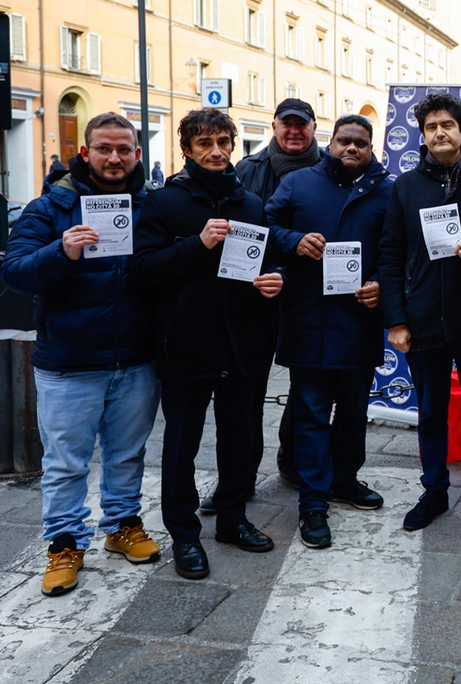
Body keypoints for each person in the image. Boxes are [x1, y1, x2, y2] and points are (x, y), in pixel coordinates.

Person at [0, 113, 160, 597]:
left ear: (137, 154)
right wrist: (60, 253)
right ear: (85, 152)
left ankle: (122, 525)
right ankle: (64, 545)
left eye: (124, 149)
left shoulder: (152, 206)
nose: (115, 158)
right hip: (69, 363)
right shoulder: (49, 207)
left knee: (128, 454)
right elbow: (15, 272)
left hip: (135, 358)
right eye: (104, 148)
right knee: (66, 463)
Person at [129, 109, 282, 579]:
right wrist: (197, 243)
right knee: (182, 447)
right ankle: (184, 535)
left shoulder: (251, 203)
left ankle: (233, 519)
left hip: (243, 345)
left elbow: (270, 262)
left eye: (223, 142)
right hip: (186, 345)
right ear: (187, 149)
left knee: (240, 440)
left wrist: (276, 281)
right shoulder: (163, 203)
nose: (216, 151)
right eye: (205, 144)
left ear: (233, 145)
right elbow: (142, 271)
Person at [376, 92, 461, 534]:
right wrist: (395, 319)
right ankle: (433, 491)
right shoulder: (406, 187)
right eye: (431, 127)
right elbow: (391, 254)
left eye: (447, 125)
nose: (440, 133)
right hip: (423, 317)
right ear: (423, 135)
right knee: (431, 411)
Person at [266, 114, 389, 549]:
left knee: (355, 413)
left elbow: (395, 252)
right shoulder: (299, 184)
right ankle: (313, 502)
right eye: (344, 141)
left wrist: (381, 286)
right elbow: (267, 228)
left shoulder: (386, 190)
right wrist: (293, 240)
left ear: (372, 148)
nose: (351, 148)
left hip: (359, 322)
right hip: (308, 321)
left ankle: (345, 479)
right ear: (330, 143)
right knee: (312, 414)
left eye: (360, 142)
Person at [229, 98, 326, 509]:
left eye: (300, 125)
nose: (293, 131)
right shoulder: (248, 170)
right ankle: (241, 476)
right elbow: (239, 229)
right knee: (247, 390)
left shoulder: (330, 169)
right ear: (273, 126)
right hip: (256, 295)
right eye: (286, 124)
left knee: (307, 387)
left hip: (310, 295)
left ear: (313, 127)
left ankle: (293, 461)